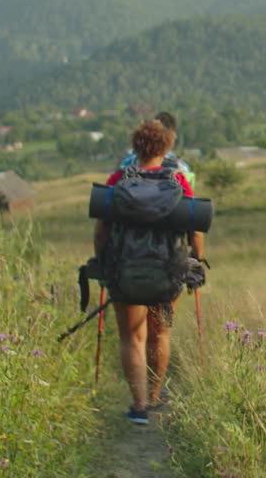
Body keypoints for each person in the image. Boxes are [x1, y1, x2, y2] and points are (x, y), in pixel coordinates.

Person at [94, 119, 205, 425]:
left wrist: (102, 259)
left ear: (136, 146)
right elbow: (195, 229)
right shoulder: (179, 181)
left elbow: (101, 229)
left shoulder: (118, 178)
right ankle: (156, 396)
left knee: (132, 337)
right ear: (167, 146)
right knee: (161, 334)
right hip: (168, 275)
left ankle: (139, 406)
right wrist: (197, 259)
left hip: (125, 273)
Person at [119, 111, 197, 189]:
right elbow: (189, 198)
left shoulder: (124, 170)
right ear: (169, 141)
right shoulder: (180, 172)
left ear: (136, 143)